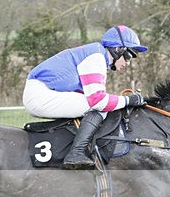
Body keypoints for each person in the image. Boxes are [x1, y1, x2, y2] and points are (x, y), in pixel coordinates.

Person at [23, 25, 148, 169]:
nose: (128, 62)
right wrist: (128, 100)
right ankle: (76, 153)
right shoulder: (96, 57)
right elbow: (98, 101)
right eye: (129, 56)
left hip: (40, 92)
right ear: (118, 49)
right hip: (40, 95)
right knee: (100, 108)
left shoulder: (96, 53)